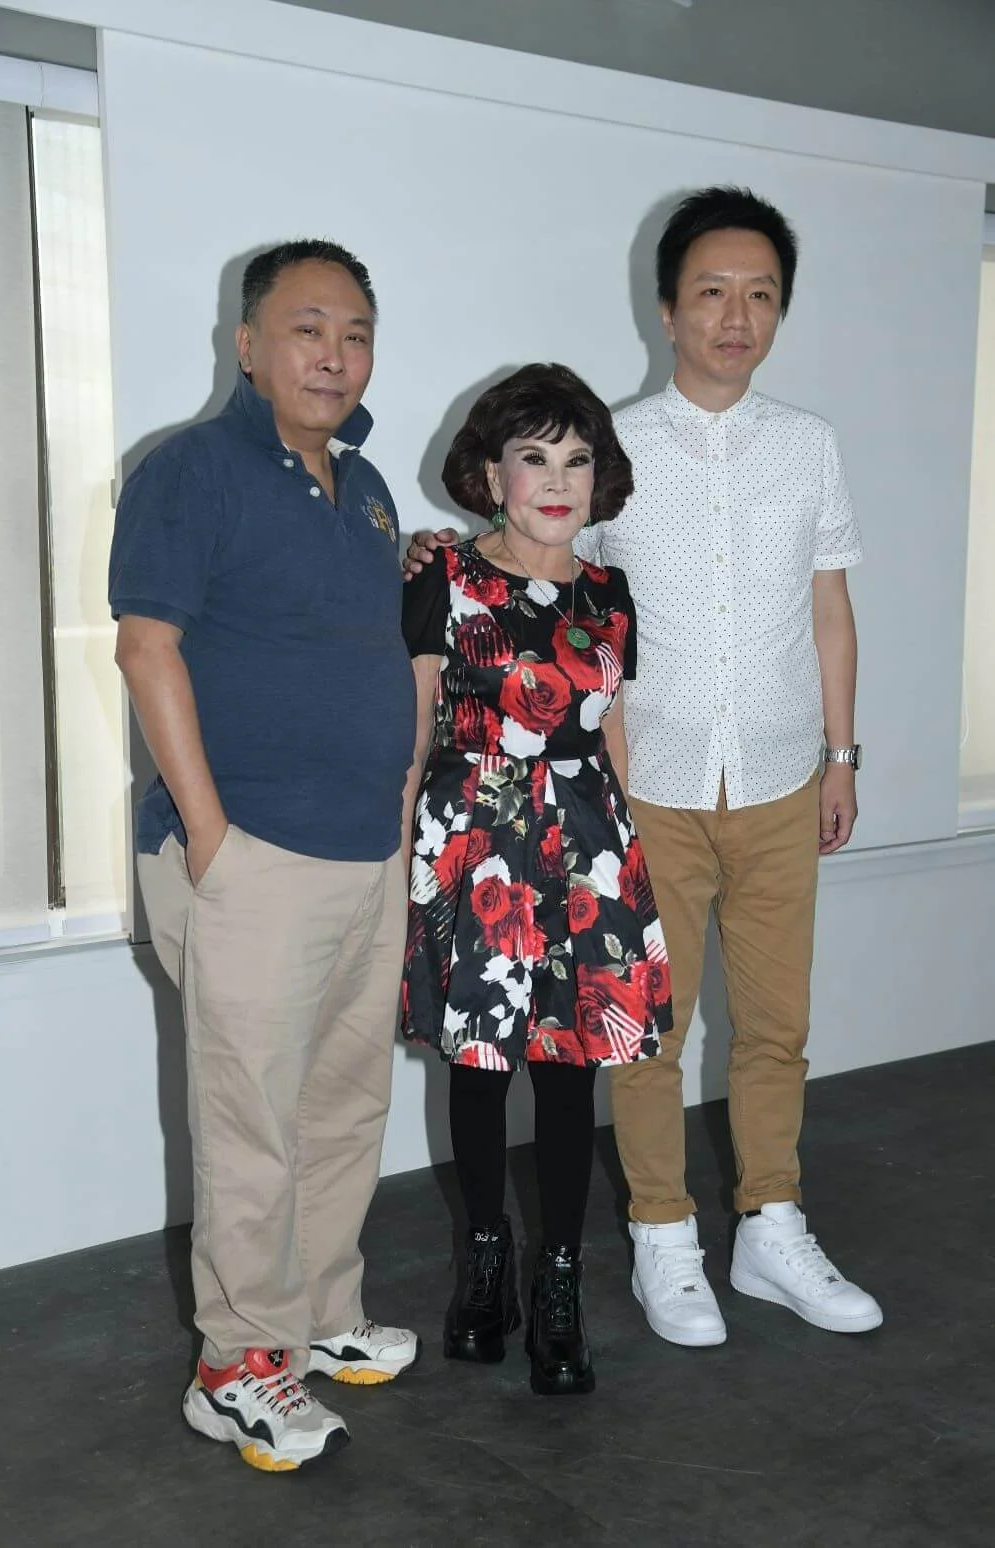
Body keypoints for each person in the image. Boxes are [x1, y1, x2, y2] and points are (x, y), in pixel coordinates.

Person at [405, 187, 882, 1349]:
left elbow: (830, 610)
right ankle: (664, 1236)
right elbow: (539, 568)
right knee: (642, 1036)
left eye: (760, 294)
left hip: (778, 777)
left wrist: (841, 755)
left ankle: (772, 1224)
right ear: (668, 309)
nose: (736, 316)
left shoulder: (809, 446)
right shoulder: (612, 451)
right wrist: (435, 557)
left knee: (776, 1026)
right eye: (712, 292)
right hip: (641, 792)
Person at [109, 240, 418, 1473]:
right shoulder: (189, 470)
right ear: (247, 345)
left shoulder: (369, 487)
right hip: (250, 856)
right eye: (307, 328)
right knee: (251, 1127)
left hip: (365, 850)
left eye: (355, 333)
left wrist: (397, 808)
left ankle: (320, 1315)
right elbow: (146, 649)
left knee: (344, 1105)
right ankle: (235, 1365)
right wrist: (211, 834)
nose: (334, 355)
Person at [400, 363, 673, 1396]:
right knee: (477, 1068)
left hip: (588, 851)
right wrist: (400, 868)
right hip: (474, 848)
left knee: (569, 1070)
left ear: (599, 478)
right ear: (491, 473)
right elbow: (414, 734)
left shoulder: (609, 594)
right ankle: (485, 1260)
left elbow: (611, 732)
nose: (557, 481)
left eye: (577, 459)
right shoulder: (443, 576)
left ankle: (559, 1279)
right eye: (534, 458)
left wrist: (632, 863)